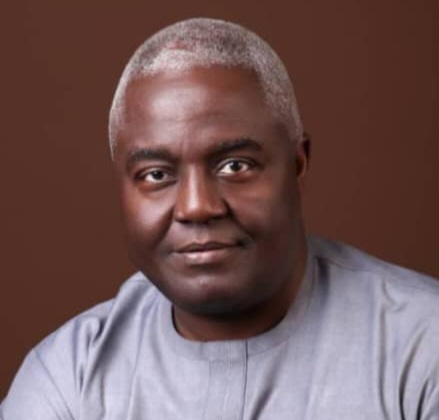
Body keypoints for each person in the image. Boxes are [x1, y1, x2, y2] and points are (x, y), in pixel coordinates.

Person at [1, 17, 438, 420]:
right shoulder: (70, 376)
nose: (196, 206)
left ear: (298, 165)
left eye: (235, 165)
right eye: (157, 175)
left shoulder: (422, 348)